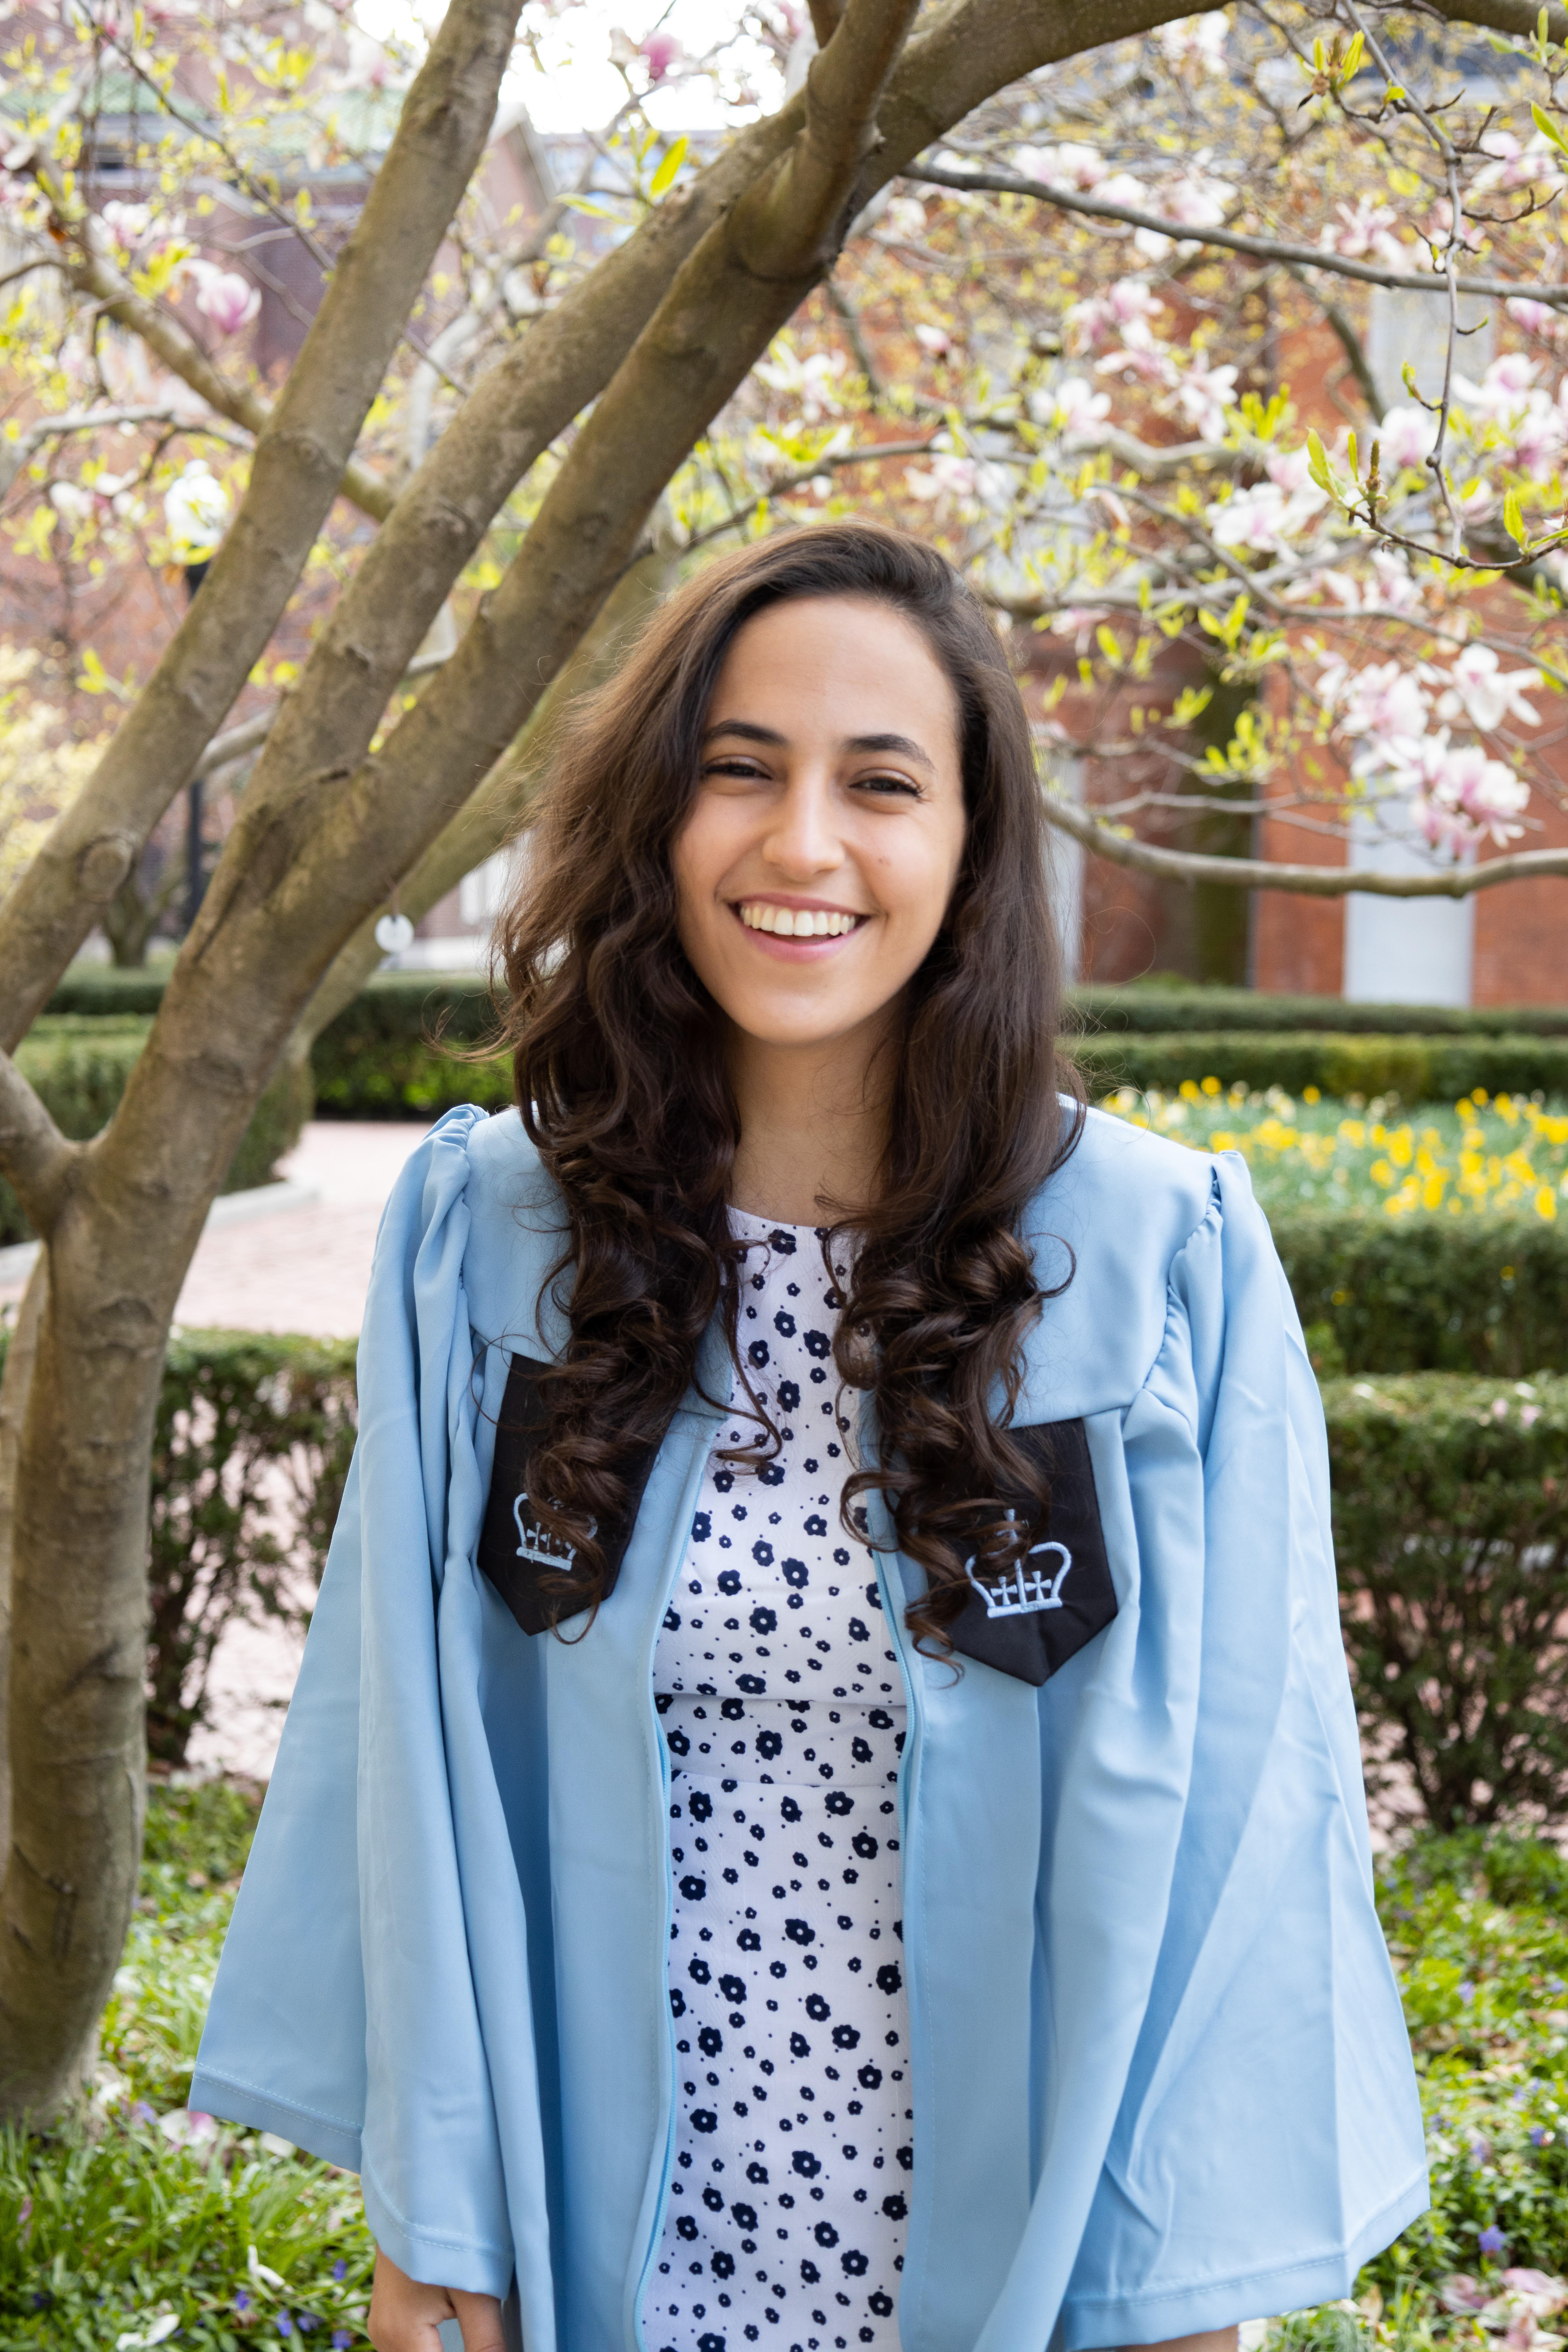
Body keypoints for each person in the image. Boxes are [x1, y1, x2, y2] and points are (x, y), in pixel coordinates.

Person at [191, 524, 1428, 2352]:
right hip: (598, 2245)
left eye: (883, 785)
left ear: (972, 847)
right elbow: (408, 1763)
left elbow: (1252, 1813)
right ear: (660, 818)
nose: (802, 846)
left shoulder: (1158, 1265)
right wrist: (434, 2203)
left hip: (1010, 2273)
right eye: (740, 772)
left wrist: (1176, 2297)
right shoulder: (496, 1243)